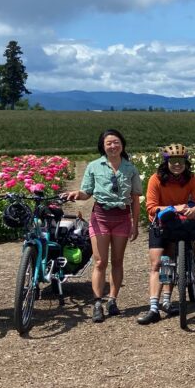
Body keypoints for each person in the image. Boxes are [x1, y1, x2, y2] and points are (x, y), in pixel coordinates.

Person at [64, 129, 142, 323]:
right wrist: (77, 194)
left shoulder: (130, 168)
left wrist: (135, 224)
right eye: (109, 143)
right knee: (100, 262)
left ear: (122, 145)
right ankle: (98, 302)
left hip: (122, 217)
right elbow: (87, 192)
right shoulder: (93, 166)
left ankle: (113, 300)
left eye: (116, 142)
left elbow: (135, 199)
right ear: (103, 146)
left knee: (117, 261)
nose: (113, 146)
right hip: (100, 216)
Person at [141, 144, 195, 325]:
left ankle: (167, 302)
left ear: (186, 163)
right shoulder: (155, 179)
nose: (177, 165)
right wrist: (172, 208)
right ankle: (154, 308)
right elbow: (151, 207)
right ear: (166, 162)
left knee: (169, 262)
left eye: (181, 161)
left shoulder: (192, 179)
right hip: (160, 222)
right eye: (173, 161)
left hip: (180, 222)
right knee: (157, 263)